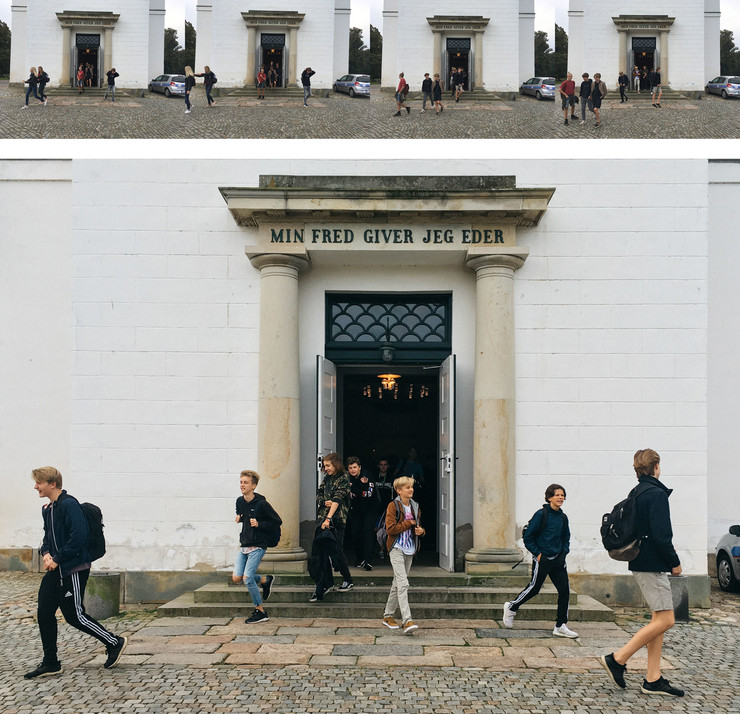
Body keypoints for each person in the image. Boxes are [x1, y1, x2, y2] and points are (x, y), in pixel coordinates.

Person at [24, 467, 127, 679]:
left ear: (52, 484)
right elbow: (47, 538)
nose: (36, 486)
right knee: (44, 612)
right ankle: (51, 662)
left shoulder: (69, 505)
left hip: (73, 570)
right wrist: (45, 554)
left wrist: (58, 559)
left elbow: (78, 538)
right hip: (56, 569)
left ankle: (114, 642)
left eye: (39, 482)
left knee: (74, 615)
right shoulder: (48, 508)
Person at [600, 449, 684, 698]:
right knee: (667, 620)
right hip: (652, 564)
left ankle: (653, 678)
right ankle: (618, 659)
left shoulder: (637, 491)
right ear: (656, 466)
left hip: (640, 561)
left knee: (658, 621)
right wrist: (674, 563)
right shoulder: (656, 494)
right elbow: (661, 535)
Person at [502, 484, 578, 639]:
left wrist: (564, 553)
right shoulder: (541, 514)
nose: (560, 498)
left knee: (564, 591)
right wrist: (538, 554)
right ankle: (512, 607)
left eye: (562, 495)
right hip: (542, 559)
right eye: (557, 495)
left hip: (558, 560)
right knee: (534, 588)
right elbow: (528, 537)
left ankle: (560, 626)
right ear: (549, 497)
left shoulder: (563, 518)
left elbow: (566, 538)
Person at [233, 469, 281, 624]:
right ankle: (265, 580)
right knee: (237, 578)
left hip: (258, 546)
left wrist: (259, 524)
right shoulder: (240, 501)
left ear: (253, 486)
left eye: (245, 482)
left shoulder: (262, 504)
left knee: (247, 578)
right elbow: (242, 515)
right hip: (245, 544)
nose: (242, 485)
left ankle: (260, 611)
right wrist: (239, 518)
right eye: (241, 482)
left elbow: (277, 521)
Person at [382, 477, 426, 634]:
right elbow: (390, 529)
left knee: (397, 582)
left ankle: (388, 616)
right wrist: (410, 523)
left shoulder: (415, 506)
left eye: (411, 487)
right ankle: (407, 620)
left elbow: (419, 526)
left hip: (410, 548)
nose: (411, 490)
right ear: (399, 491)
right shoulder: (393, 506)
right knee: (403, 583)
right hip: (396, 547)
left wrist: (421, 531)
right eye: (407, 488)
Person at [311, 452, 353, 600]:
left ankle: (347, 579)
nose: (325, 468)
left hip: (336, 520)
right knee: (321, 552)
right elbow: (319, 493)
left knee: (337, 551)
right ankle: (324, 583)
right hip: (322, 518)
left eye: (328, 465)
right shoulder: (327, 478)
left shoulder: (344, 478)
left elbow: (338, 498)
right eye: (324, 466)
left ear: (335, 464)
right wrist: (323, 503)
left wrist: (328, 518)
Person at [347, 456, 380, 571]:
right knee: (355, 534)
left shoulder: (367, 476)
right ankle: (359, 557)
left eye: (355, 467)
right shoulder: (347, 479)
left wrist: (355, 490)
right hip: (356, 510)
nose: (353, 470)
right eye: (350, 467)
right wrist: (359, 489)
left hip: (370, 509)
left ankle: (368, 560)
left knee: (368, 533)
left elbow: (369, 494)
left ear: (359, 467)